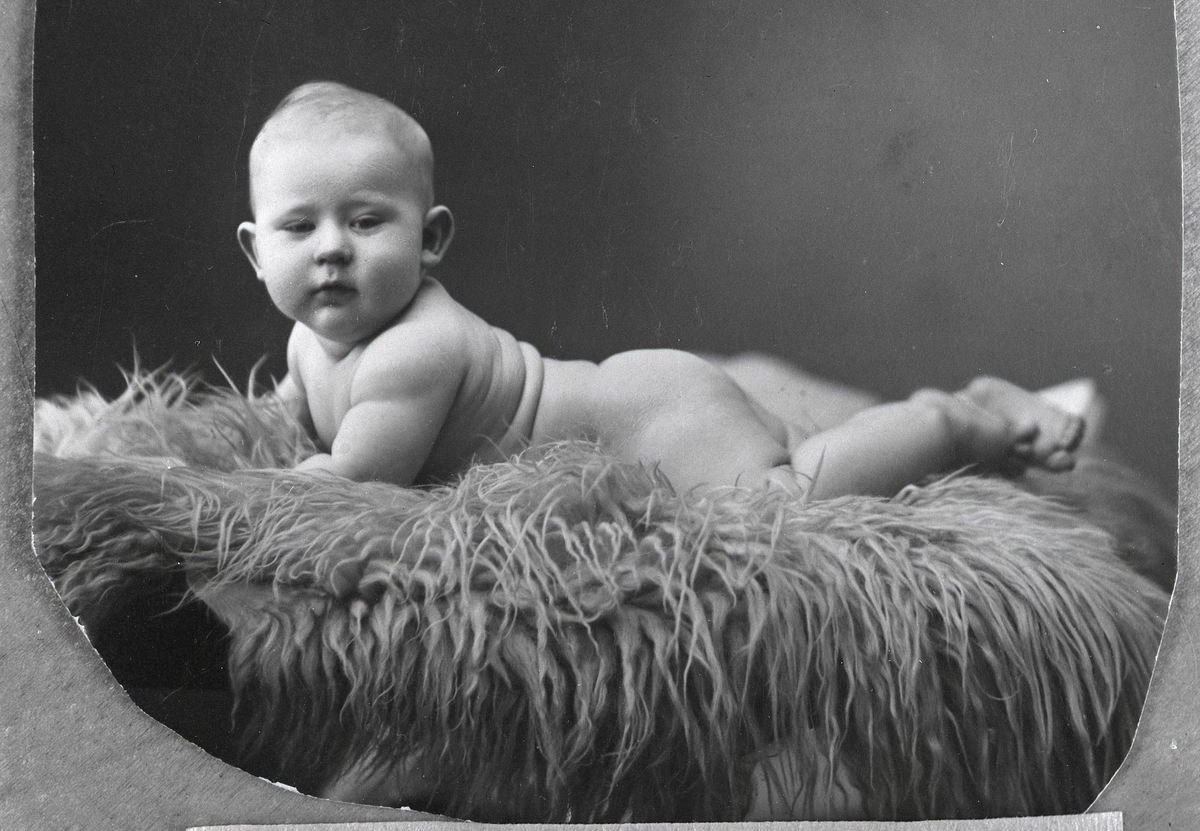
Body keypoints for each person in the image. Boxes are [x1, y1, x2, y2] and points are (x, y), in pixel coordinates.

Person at [236, 81, 1084, 502]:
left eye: (367, 221)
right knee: (796, 446)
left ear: (430, 240)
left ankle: (962, 416)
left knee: (782, 500)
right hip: (641, 401)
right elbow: (289, 409)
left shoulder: (412, 351)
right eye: (299, 227)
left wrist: (230, 496)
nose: (332, 249)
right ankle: (949, 420)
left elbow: (353, 478)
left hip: (648, 423)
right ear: (255, 252)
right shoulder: (312, 341)